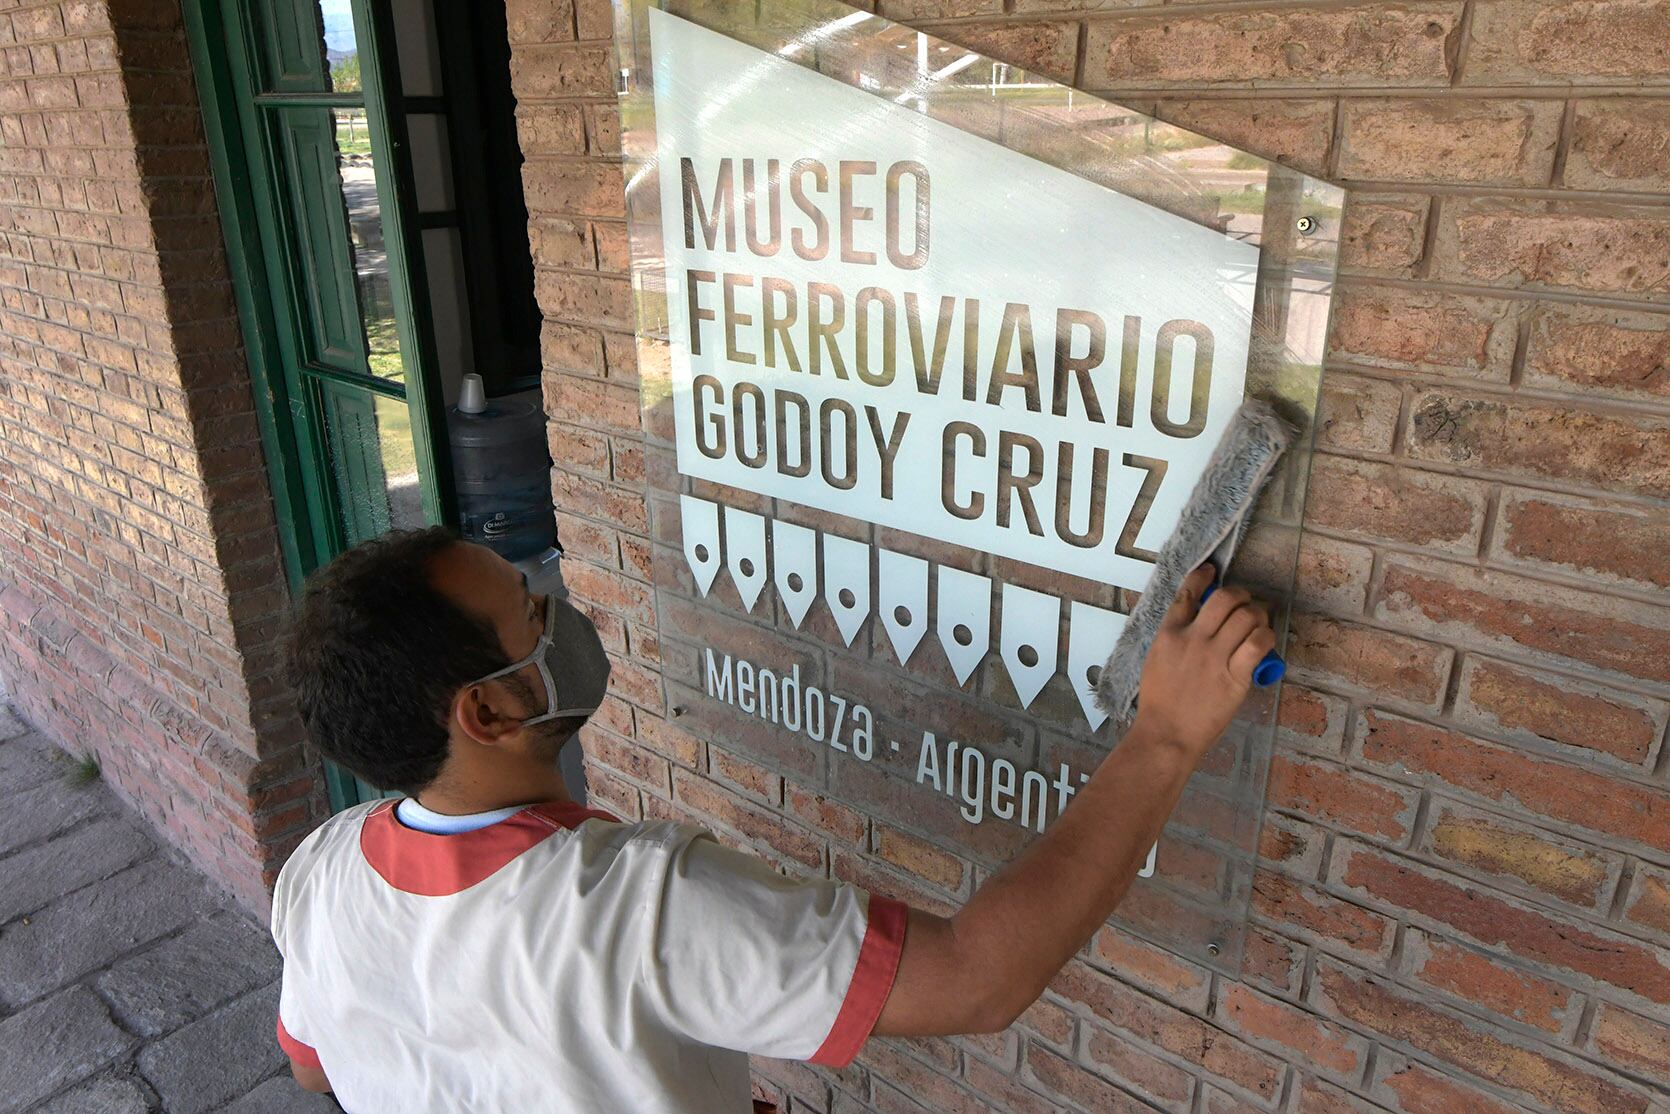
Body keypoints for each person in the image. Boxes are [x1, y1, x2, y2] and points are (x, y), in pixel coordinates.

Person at [276, 526, 1276, 1112]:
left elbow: (310, 1059)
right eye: (529, 617)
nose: (555, 613)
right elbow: (976, 980)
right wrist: (1165, 738)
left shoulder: (319, 875)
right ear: (487, 711)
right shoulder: (634, 913)